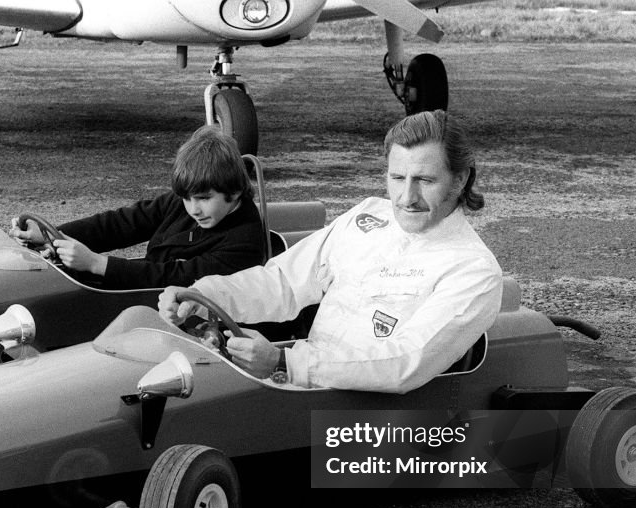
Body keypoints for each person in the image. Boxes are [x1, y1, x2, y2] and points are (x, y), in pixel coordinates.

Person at [158, 110, 503, 394]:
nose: (406, 197)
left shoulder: (473, 269)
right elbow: (283, 282)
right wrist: (204, 294)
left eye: (425, 180)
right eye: (397, 177)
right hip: (304, 388)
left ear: (459, 180)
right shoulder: (369, 215)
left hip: (369, 424)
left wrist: (283, 363)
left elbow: (404, 363)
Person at [11, 125, 266, 289]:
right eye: (187, 198)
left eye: (203, 199)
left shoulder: (244, 241)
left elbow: (176, 277)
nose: (193, 209)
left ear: (233, 192)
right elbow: (123, 223)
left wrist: (97, 264)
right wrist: (50, 235)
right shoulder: (186, 201)